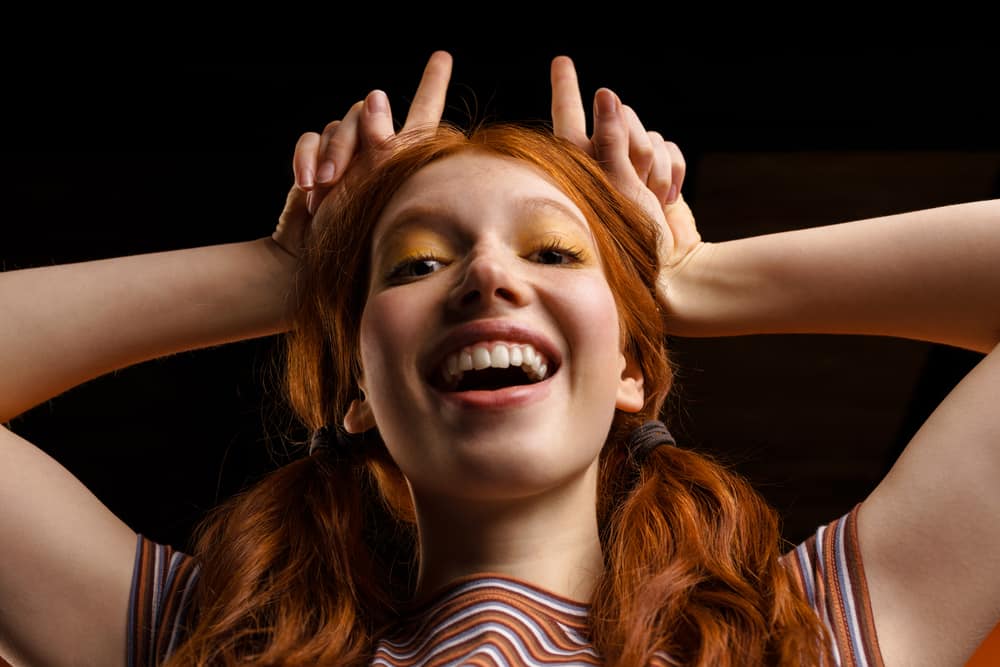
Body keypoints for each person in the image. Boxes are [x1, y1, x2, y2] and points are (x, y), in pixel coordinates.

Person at [0, 50, 997, 667]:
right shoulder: (208, 637)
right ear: (355, 389)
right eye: (417, 262)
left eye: (554, 253)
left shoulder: (798, 636)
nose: (484, 276)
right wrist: (289, 274)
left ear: (630, 372)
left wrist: (698, 280)